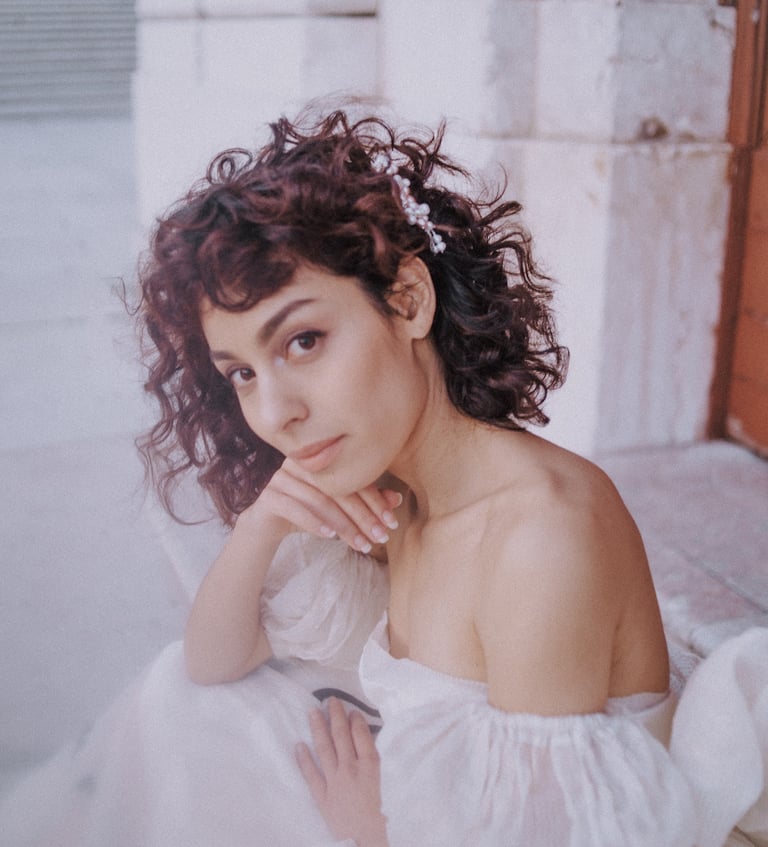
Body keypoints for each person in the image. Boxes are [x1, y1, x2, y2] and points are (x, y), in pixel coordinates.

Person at [1, 108, 766, 847]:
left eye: (303, 340)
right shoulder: (396, 494)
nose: (274, 412)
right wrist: (263, 523)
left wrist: (376, 828)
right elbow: (211, 662)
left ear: (408, 300)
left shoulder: (537, 540)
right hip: (410, 800)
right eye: (241, 372)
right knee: (176, 706)